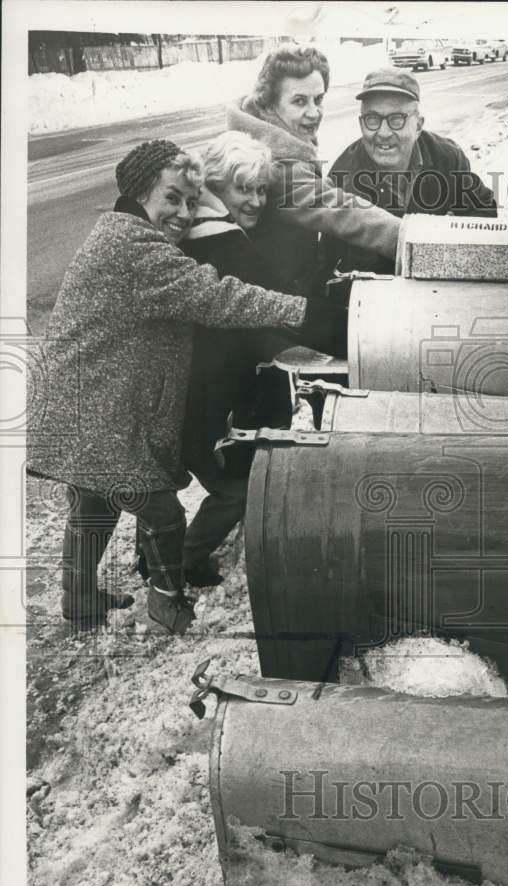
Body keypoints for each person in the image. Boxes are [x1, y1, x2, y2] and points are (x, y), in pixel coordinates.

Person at [27, 139, 345, 635]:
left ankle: (79, 599)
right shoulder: (137, 249)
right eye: (171, 198)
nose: (182, 213)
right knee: (163, 512)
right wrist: (313, 318)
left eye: (191, 202)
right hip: (99, 411)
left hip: (84, 401)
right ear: (138, 194)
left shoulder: (120, 232)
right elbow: (221, 297)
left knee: (94, 507)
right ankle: (167, 604)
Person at [178, 131, 295, 587]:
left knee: (170, 482)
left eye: (262, 189)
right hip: (209, 391)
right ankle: (180, 560)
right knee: (235, 487)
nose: (256, 200)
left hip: (193, 382)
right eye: (243, 188)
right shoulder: (224, 243)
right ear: (216, 187)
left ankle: (158, 556)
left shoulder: (192, 235)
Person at [226, 44, 402, 296]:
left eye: (318, 99)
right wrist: (408, 237)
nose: (313, 112)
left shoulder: (280, 145)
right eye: (299, 101)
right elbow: (342, 210)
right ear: (267, 105)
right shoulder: (269, 163)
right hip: (268, 312)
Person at [319, 68, 497, 276]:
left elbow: (485, 211)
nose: (383, 133)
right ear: (361, 124)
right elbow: (326, 263)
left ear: (418, 125)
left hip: (434, 286)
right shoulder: (343, 176)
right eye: (372, 119)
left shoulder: (447, 158)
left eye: (397, 119)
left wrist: (449, 234)